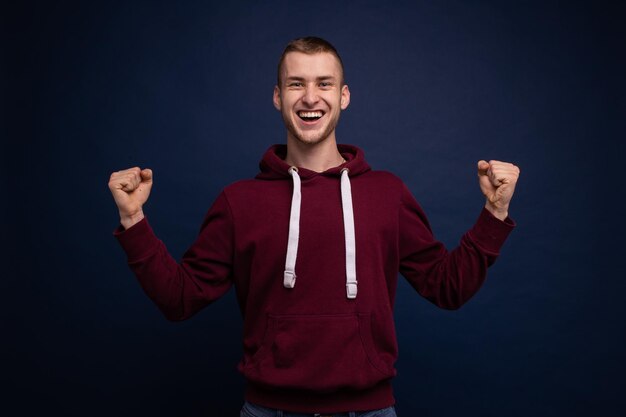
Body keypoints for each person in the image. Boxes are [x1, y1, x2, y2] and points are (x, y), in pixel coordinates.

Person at [108, 37, 520, 417]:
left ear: (343, 97)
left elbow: (447, 287)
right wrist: (133, 220)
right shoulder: (239, 202)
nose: (310, 97)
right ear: (276, 96)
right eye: (295, 84)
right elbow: (180, 298)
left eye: (324, 84)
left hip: (369, 411)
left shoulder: (387, 194)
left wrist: (494, 213)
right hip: (268, 410)